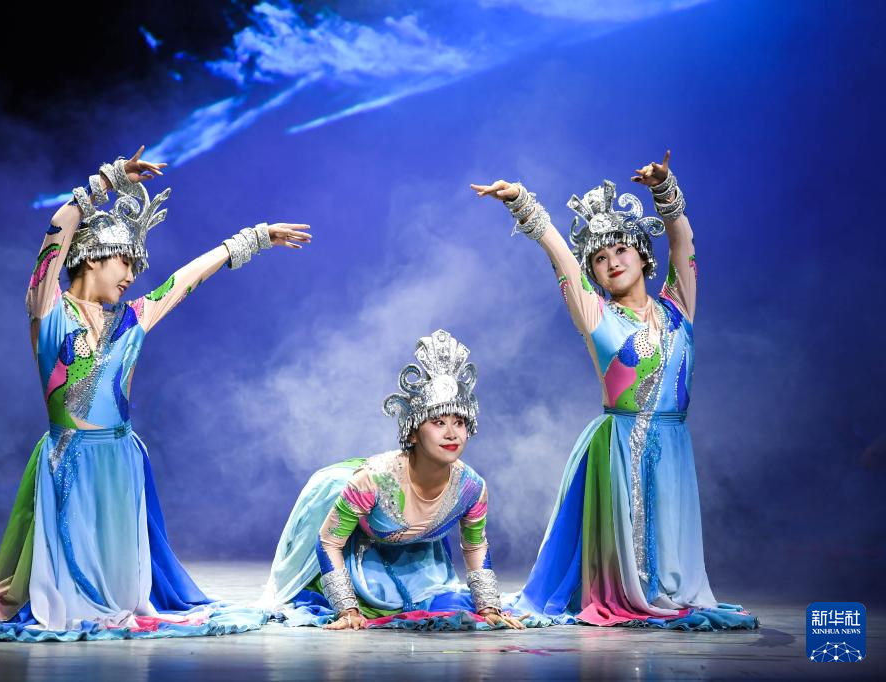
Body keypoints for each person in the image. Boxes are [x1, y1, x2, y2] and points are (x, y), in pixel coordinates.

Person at [0, 146, 312, 641]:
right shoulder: (48, 311)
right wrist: (107, 181)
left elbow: (187, 279)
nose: (131, 276)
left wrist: (253, 238)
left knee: (123, 596)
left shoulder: (132, 319)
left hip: (122, 459)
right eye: (126, 262)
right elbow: (55, 236)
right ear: (91, 257)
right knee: (69, 592)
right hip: (69, 457)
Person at [470, 152, 757, 630]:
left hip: (673, 442)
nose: (611, 262)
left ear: (643, 255)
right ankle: (626, 592)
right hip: (619, 445)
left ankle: (668, 589)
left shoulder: (678, 306)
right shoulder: (596, 315)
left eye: (621, 250)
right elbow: (561, 257)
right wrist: (521, 201)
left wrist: (664, 190)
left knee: (671, 558)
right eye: (600, 259)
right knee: (630, 560)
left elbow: (682, 241)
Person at [259, 329, 529, 631]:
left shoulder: (471, 488)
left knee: (444, 605)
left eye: (460, 422)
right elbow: (329, 542)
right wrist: (347, 610)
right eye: (438, 422)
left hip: (415, 563)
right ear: (412, 433)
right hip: (354, 550)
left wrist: (489, 607)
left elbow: (475, 546)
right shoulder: (372, 481)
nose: (452, 433)